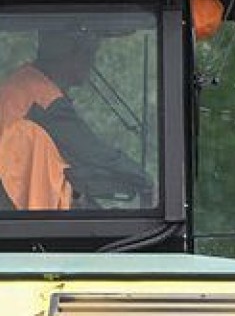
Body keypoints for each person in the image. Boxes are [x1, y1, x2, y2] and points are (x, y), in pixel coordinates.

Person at [0, 29, 152, 210]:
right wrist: (143, 179)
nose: (91, 62)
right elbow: (92, 153)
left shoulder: (24, 85)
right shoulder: (42, 98)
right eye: (88, 53)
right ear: (67, 54)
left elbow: (69, 166)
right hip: (12, 205)